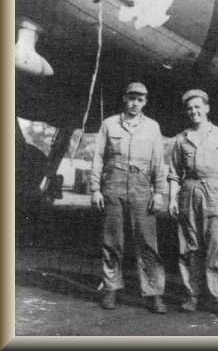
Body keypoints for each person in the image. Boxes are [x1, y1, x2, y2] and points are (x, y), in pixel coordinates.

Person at [90, 82, 167, 313]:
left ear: (145, 102)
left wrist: (160, 192)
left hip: (142, 189)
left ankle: (153, 293)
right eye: (132, 98)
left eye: (140, 99)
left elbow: (158, 162)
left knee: (147, 244)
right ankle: (111, 289)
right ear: (125, 98)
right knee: (112, 241)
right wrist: (95, 188)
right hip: (113, 186)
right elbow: (98, 157)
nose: (135, 103)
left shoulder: (153, 127)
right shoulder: (109, 124)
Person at [168, 89, 218, 320]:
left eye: (198, 107)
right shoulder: (181, 139)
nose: (194, 112)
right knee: (189, 247)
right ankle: (192, 294)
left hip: (214, 193)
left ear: (207, 108)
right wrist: (172, 198)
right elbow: (173, 173)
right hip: (189, 192)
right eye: (190, 109)